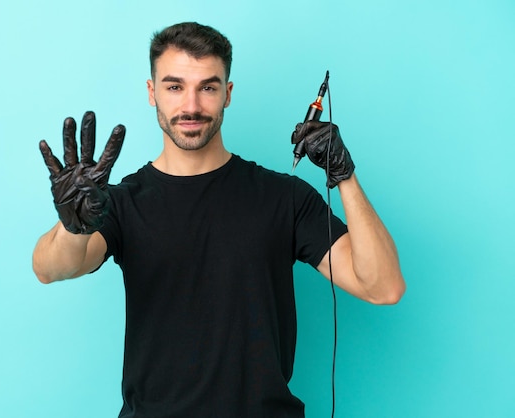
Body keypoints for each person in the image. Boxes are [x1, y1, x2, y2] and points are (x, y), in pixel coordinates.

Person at [33, 22, 405, 418]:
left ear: (227, 94)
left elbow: (383, 287)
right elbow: (51, 268)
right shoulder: (121, 203)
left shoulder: (284, 197)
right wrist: (74, 226)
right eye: (174, 86)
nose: (190, 106)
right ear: (151, 92)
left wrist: (343, 175)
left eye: (207, 87)